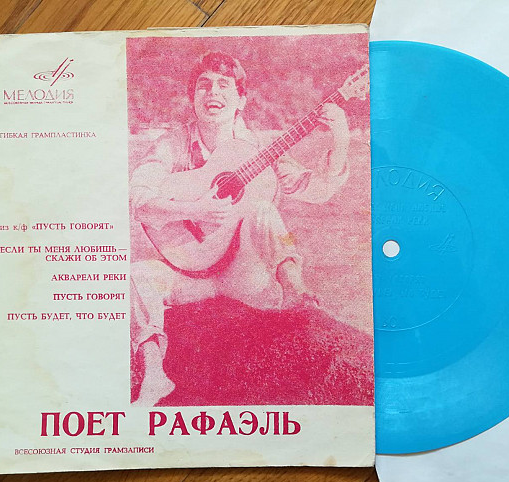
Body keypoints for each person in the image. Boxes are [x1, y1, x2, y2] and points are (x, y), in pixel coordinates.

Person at [129, 51, 351, 405]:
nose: (212, 92)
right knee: (137, 275)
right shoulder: (172, 143)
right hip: (187, 274)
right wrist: (195, 208)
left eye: (223, 85)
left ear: (241, 100)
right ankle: (154, 375)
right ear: (193, 98)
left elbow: (315, 190)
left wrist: (340, 138)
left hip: (243, 274)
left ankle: (297, 296)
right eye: (203, 85)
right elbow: (138, 198)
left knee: (262, 208)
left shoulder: (260, 147)